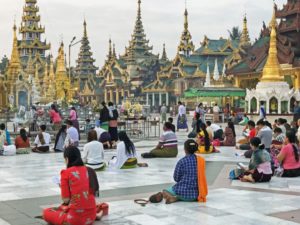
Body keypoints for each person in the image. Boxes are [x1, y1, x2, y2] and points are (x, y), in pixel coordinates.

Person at [43, 146, 98, 225]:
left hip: (75, 219)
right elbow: (92, 193)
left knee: (46, 212)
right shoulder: (90, 170)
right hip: (91, 216)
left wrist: (62, 186)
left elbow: (66, 200)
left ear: (67, 159)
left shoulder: (66, 173)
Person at [149, 140, 207, 204]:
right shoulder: (201, 160)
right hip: (197, 194)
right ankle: (178, 197)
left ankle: (176, 197)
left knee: (165, 191)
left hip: (183, 193)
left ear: (185, 149)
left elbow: (176, 178)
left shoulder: (182, 161)